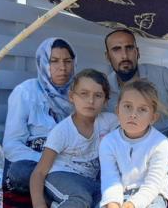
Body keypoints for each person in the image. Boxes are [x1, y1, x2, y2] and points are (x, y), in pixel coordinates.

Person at [104, 29, 168, 170]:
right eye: (116, 49)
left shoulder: (162, 74)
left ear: (137, 52)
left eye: (129, 48)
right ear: (107, 57)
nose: (124, 55)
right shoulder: (105, 90)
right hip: (140, 147)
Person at [30, 69, 118, 208]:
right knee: (80, 199)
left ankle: (56, 204)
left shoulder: (109, 122)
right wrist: (39, 205)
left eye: (98, 95)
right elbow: (39, 172)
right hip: (60, 176)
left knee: (107, 200)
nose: (90, 100)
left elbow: (133, 134)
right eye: (84, 94)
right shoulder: (62, 131)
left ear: (106, 101)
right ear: (72, 97)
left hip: (89, 182)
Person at [3, 38, 76, 192]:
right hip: (36, 162)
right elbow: (11, 145)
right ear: (42, 62)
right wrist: (48, 162)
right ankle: (63, 189)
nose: (62, 67)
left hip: (71, 162)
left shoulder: (79, 93)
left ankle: (61, 189)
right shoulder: (25, 92)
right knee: (19, 171)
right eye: (54, 61)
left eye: (67, 61)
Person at [100, 80, 168, 208]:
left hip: (152, 195)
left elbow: (153, 184)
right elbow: (110, 179)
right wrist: (113, 203)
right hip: (120, 192)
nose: (133, 114)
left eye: (142, 109)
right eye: (127, 107)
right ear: (117, 111)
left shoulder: (160, 143)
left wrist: (132, 204)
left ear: (153, 118)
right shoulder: (108, 142)